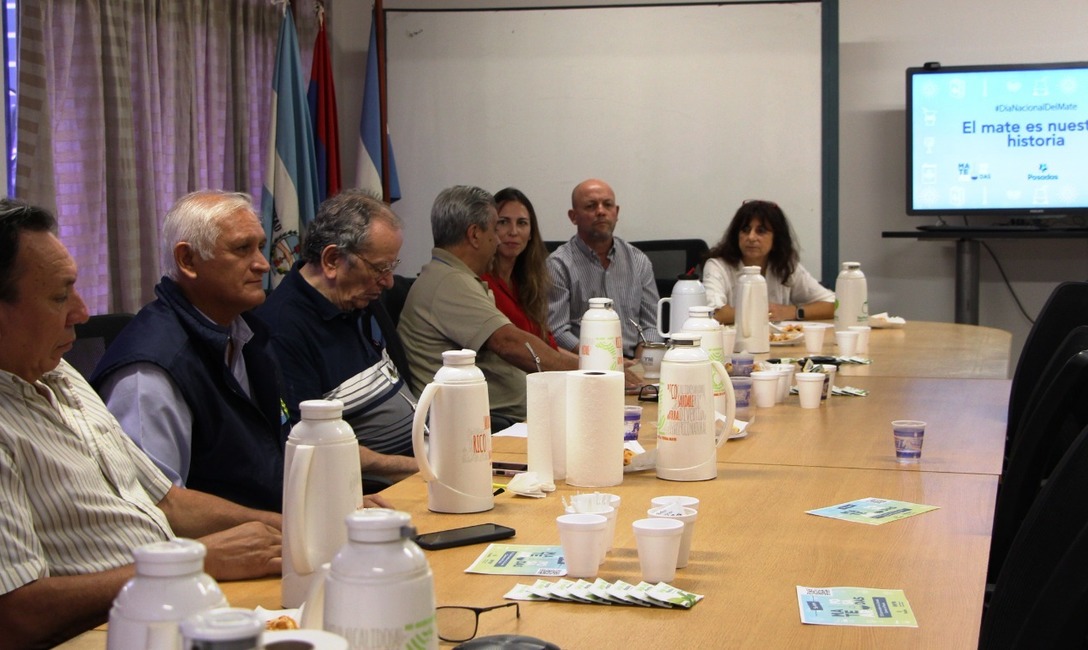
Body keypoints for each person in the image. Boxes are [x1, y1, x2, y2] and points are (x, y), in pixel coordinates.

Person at [0, 198, 281, 648]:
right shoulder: (146, 367)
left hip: (168, 600)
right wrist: (197, 561)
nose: (82, 312)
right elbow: (15, 616)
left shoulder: (55, 369)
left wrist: (286, 525)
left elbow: (165, 500)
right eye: (58, 297)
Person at [92, 191, 289, 512]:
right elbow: (157, 511)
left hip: (277, 527)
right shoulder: (151, 371)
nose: (263, 264)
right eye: (242, 249)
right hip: (213, 552)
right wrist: (290, 527)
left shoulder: (248, 330)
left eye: (260, 246)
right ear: (188, 260)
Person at [256, 190, 418, 484]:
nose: (389, 281)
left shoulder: (360, 297)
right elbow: (314, 449)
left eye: (391, 267)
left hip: (419, 464)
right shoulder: (283, 331)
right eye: (380, 268)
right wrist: (422, 467)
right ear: (332, 260)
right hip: (371, 490)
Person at [398, 185, 579, 428]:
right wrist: (592, 371)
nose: (498, 241)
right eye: (495, 229)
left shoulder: (453, 276)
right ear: (474, 235)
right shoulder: (450, 282)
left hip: (503, 417)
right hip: (483, 426)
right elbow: (510, 343)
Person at [546, 178, 662, 359]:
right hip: (583, 365)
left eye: (607, 205)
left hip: (636, 363)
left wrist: (641, 363)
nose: (601, 211)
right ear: (573, 216)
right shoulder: (558, 265)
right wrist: (607, 360)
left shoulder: (638, 261)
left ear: (616, 212)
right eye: (591, 206)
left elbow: (651, 325)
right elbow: (557, 331)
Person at [702, 199, 834, 324]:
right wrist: (760, 314)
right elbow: (715, 313)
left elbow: (834, 304)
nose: (751, 237)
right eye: (746, 230)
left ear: (776, 239)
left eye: (761, 231)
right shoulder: (717, 266)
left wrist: (792, 311)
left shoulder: (785, 266)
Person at [481, 187, 560, 349]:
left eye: (522, 223)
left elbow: (550, 348)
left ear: (531, 233)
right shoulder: (482, 282)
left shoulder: (529, 281)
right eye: (503, 222)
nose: (513, 232)